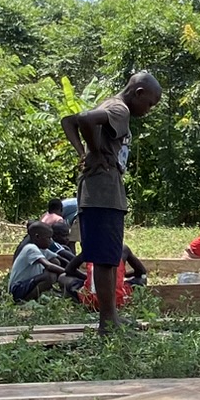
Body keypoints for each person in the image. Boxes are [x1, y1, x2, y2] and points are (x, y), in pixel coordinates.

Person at [61, 70, 163, 333]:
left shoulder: (108, 104)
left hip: (99, 189)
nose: (149, 109)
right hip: (103, 190)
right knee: (107, 257)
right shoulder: (120, 110)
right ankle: (108, 321)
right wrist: (94, 151)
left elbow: (68, 122)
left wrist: (83, 152)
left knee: (106, 256)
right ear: (138, 94)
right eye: (150, 103)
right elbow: (82, 119)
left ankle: (110, 318)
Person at [8, 220, 77, 302]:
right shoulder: (30, 248)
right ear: (37, 237)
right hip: (16, 289)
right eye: (48, 238)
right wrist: (70, 272)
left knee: (56, 261)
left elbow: (61, 259)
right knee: (49, 276)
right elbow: (49, 266)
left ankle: (43, 292)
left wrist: (76, 271)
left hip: (25, 285)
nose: (51, 241)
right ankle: (24, 300)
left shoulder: (42, 249)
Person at [77, 245, 148, 312]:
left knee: (68, 279)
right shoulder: (123, 249)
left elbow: (69, 270)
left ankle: (79, 301)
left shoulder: (89, 250)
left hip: (91, 301)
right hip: (117, 301)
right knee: (142, 278)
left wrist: (87, 277)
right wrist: (124, 275)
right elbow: (142, 271)